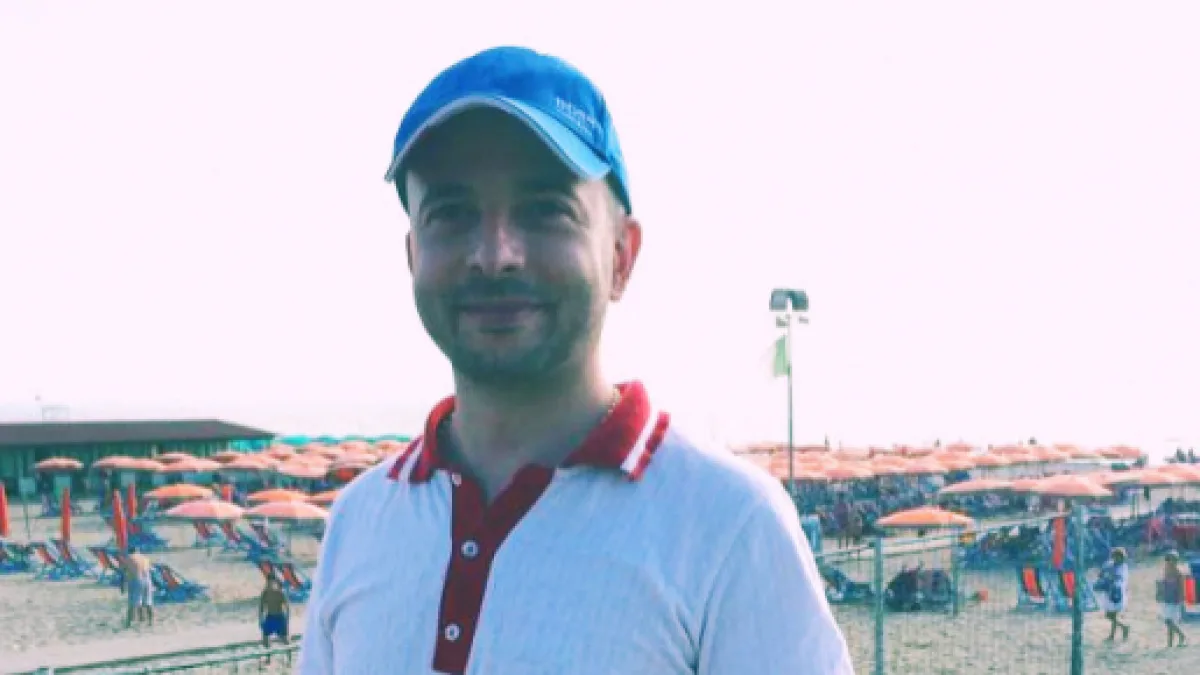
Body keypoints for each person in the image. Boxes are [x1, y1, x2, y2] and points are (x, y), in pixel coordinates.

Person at [298, 46, 852, 674]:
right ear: (412, 256)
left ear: (621, 256)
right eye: (450, 214)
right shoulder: (359, 521)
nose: (494, 255)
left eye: (545, 211)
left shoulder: (729, 525)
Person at [1097, 547, 1131, 641]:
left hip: (1117, 593)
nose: (1116, 558)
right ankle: (1114, 634)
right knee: (1110, 615)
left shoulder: (1123, 567)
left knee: (1111, 615)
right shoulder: (1109, 564)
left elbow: (1118, 577)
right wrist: (1103, 574)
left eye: (1118, 556)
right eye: (1115, 556)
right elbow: (1101, 574)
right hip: (1109, 592)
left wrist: (1109, 575)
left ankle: (1123, 628)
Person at [1158, 550, 1188, 647]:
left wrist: (1181, 600)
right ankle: (1170, 643)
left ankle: (1182, 635)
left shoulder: (1179, 572)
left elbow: (1182, 588)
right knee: (1168, 622)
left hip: (1174, 599)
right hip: (1166, 598)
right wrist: (1159, 593)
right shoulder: (1166, 570)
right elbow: (1163, 583)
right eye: (1169, 559)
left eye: (1174, 560)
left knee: (1169, 621)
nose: (1171, 562)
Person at [120, 545, 153, 628]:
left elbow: (123, 573)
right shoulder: (145, 558)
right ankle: (150, 621)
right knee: (148, 602)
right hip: (148, 581)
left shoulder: (128, 558)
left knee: (133, 603)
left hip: (136, 580)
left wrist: (122, 585)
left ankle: (128, 623)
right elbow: (150, 570)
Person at [259, 577, 291, 653]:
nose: (270, 585)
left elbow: (287, 606)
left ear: (275, 583)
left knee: (284, 639)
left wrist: (287, 618)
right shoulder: (265, 594)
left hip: (279, 617)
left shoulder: (279, 593)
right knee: (265, 638)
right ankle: (268, 656)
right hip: (270, 617)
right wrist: (260, 619)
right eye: (268, 583)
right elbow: (261, 607)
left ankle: (289, 655)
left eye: (272, 583)